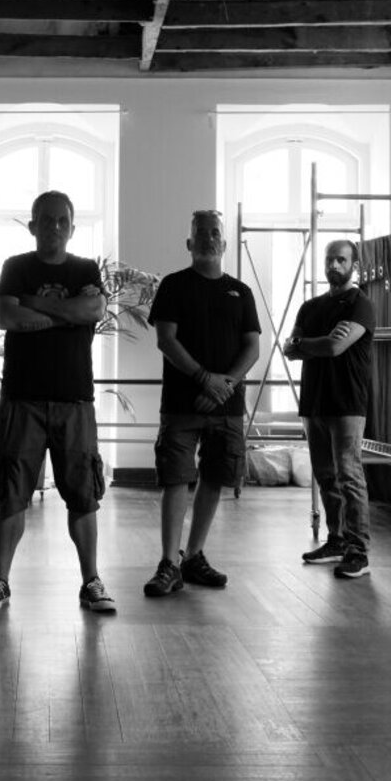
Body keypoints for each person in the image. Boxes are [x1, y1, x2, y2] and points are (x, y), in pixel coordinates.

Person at [0, 190, 115, 614]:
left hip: (74, 399)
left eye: (62, 220)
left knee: (83, 495)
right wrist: (64, 312)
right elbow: (7, 316)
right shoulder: (15, 266)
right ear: (32, 225)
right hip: (22, 398)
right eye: (46, 219)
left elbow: (93, 310)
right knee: (12, 492)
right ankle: (0, 581)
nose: (54, 226)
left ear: (72, 227)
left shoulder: (86, 268)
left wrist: (35, 305)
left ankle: (91, 581)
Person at [144, 210, 260, 597]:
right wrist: (204, 379)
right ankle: (169, 563)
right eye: (201, 233)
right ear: (189, 243)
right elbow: (166, 339)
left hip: (226, 405)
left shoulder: (241, 292)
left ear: (224, 243)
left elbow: (252, 347)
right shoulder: (173, 285)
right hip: (181, 404)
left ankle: (193, 557)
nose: (208, 238)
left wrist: (224, 384)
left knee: (214, 477)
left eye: (215, 233)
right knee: (176, 479)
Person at [283, 239, 375, 579]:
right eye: (329, 260)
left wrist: (305, 344)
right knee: (325, 476)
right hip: (313, 403)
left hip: (347, 403)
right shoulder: (310, 307)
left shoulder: (361, 304)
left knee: (349, 476)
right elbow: (288, 349)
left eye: (341, 260)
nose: (334, 265)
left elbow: (336, 346)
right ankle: (336, 540)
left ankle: (358, 550)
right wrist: (311, 344)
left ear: (354, 265)